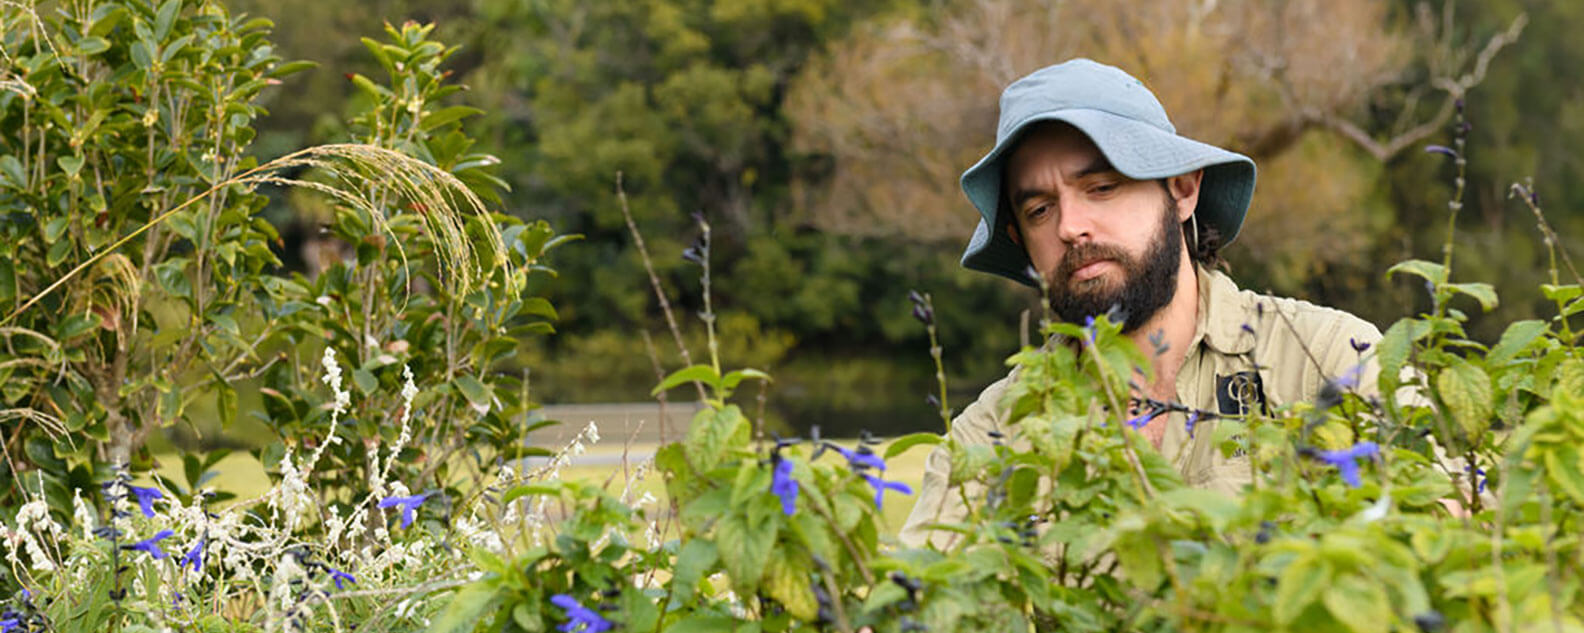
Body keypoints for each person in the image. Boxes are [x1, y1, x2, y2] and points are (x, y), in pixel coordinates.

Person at [899, 59, 1383, 547]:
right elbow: (913, 604)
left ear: (1181, 189)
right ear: (1020, 240)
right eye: (1039, 209)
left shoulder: (1331, 361)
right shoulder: (994, 434)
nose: (1069, 226)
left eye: (1102, 187)